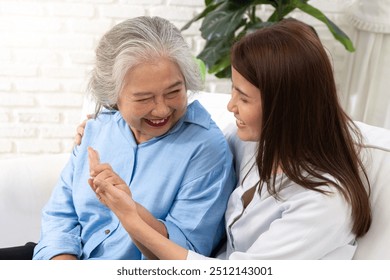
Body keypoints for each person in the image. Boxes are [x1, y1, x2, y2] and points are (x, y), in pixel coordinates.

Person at [88, 18, 372, 260]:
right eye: (233, 91)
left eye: (243, 97)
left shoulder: (323, 203)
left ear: (284, 107)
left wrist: (129, 218)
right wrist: (106, 122)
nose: (230, 106)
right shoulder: (251, 141)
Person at [28, 16, 236, 260]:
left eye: (173, 92)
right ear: (113, 96)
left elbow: (186, 253)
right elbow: (59, 214)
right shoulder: (97, 128)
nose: (161, 110)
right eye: (144, 98)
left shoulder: (205, 148)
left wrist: (128, 209)